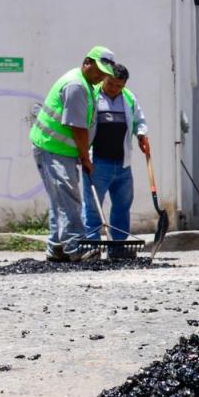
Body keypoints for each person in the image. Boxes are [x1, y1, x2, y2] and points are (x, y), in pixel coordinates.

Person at [30, 46, 117, 262]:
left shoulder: (87, 84)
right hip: (52, 149)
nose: (101, 77)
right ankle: (76, 246)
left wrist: (82, 154)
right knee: (69, 197)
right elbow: (78, 128)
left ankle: (57, 247)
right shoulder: (76, 86)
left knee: (60, 198)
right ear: (87, 62)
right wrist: (85, 157)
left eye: (105, 73)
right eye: (99, 71)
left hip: (61, 150)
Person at [82, 63, 150, 258]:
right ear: (104, 78)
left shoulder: (128, 98)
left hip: (122, 164)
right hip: (97, 163)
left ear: (124, 84)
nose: (113, 89)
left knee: (122, 206)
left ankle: (118, 248)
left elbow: (139, 121)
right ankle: (92, 248)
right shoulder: (92, 95)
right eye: (110, 84)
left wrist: (141, 135)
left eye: (118, 86)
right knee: (93, 208)